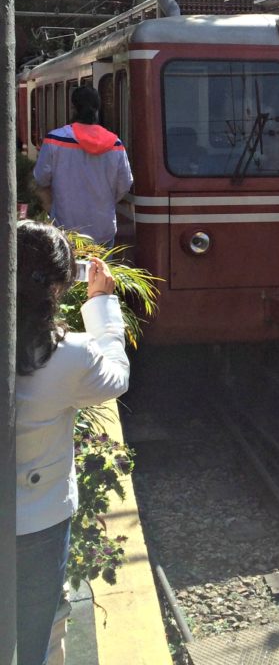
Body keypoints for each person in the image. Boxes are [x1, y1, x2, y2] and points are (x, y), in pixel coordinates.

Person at [15, 221, 130, 665]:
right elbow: (115, 378)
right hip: (38, 523)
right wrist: (102, 304)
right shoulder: (68, 357)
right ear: (60, 286)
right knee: (34, 631)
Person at [33, 85, 133, 247]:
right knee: (101, 271)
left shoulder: (56, 140)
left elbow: (41, 179)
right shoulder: (115, 144)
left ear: (73, 107)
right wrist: (104, 201)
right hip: (103, 228)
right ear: (98, 108)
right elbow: (125, 184)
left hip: (66, 228)